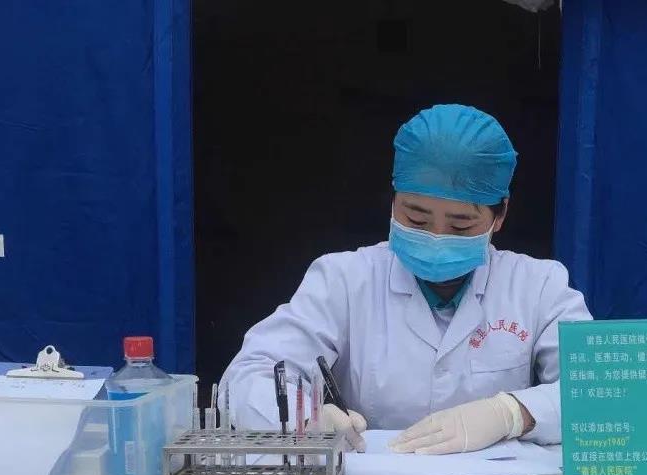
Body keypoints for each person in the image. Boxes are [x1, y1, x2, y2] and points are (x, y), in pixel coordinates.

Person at [221, 104, 591, 454]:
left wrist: (511, 414)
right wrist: (306, 419)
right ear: (393, 201)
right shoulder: (344, 280)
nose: (436, 237)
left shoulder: (539, 287)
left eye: (461, 225)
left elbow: (596, 389)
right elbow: (247, 377)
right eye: (416, 219)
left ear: (501, 214)